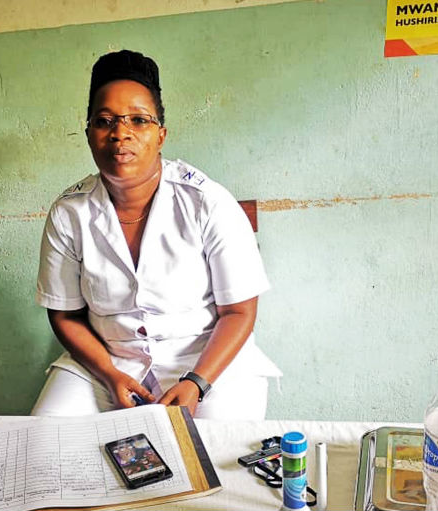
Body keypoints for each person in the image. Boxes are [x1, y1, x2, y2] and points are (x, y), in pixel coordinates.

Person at [31, 49, 281, 419]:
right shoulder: (69, 213)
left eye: (138, 120)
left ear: (161, 135)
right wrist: (110, 373)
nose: (120, 134)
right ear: (89, 134)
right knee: (43, 439)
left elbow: (239, 311)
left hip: (207, 362)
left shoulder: (206, 202)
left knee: (217, 455)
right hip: (108, 364)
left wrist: (197, 382)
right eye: (104, 121)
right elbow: (66, 315)